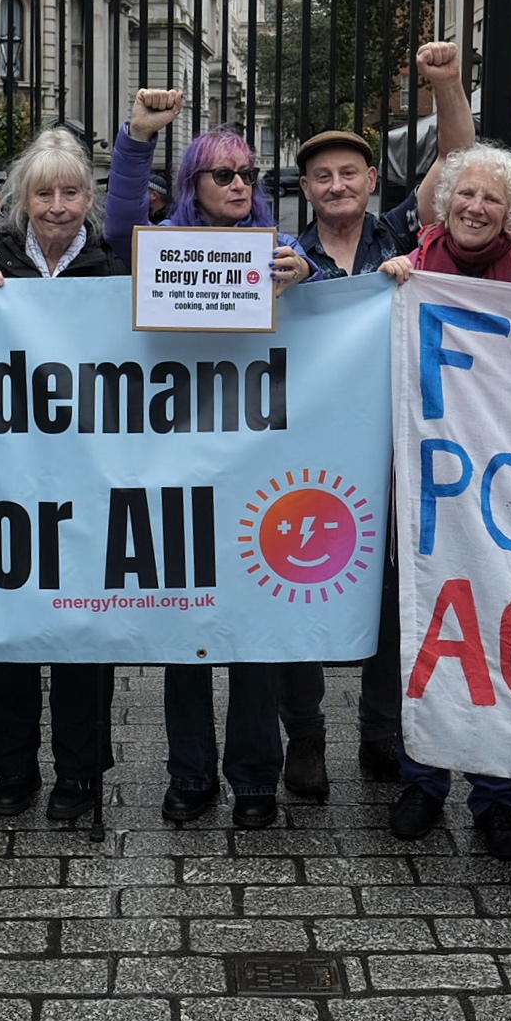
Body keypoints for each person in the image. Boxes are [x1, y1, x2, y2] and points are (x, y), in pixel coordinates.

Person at [379, 140, 511, 861]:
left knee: (503, 633)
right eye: (464, 195)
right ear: (444, 205)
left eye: (490, 200)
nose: (475, 207)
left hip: (506, 488)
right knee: (433, 634)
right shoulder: (411, 270)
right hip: (428, 486)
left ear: (509, 216)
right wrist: (388, 288)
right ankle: (423, 778)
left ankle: (496, 795)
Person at [104, 90, 318, 830]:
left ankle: (254, 777)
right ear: (192, 185)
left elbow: (330, 339)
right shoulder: (163, 248)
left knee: (254, 634)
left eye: (248, 174)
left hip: (261, 473)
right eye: (221, 174)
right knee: (186, 633)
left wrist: (309, 285)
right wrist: (136, 139)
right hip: (182, 470)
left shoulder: (285, 253)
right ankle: (190, 774)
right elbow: (118, 226)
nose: (238, 185)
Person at [279, 41, 479, 798]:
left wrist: (446, 87)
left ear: (371, 181)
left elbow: (459, 166)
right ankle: (303, 735)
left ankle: (380, 728)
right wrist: (283, 289)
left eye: (349, 173)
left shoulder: (401, 236)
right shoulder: (280, 254)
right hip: (302, 454)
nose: (336, 184)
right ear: (306, 187)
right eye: (322, 175)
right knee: (292, 584)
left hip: (398, 443)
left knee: (394, 587)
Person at [0, 130, 124, 822]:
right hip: (6, 480)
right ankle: (13, 768)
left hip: (87, 481)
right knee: (8, 629)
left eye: (71, 192)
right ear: (20, 200)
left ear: (89, 198)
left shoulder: (113, 267)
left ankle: (80, 772)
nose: (58, 206)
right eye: (44, 193)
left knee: (84, 634)